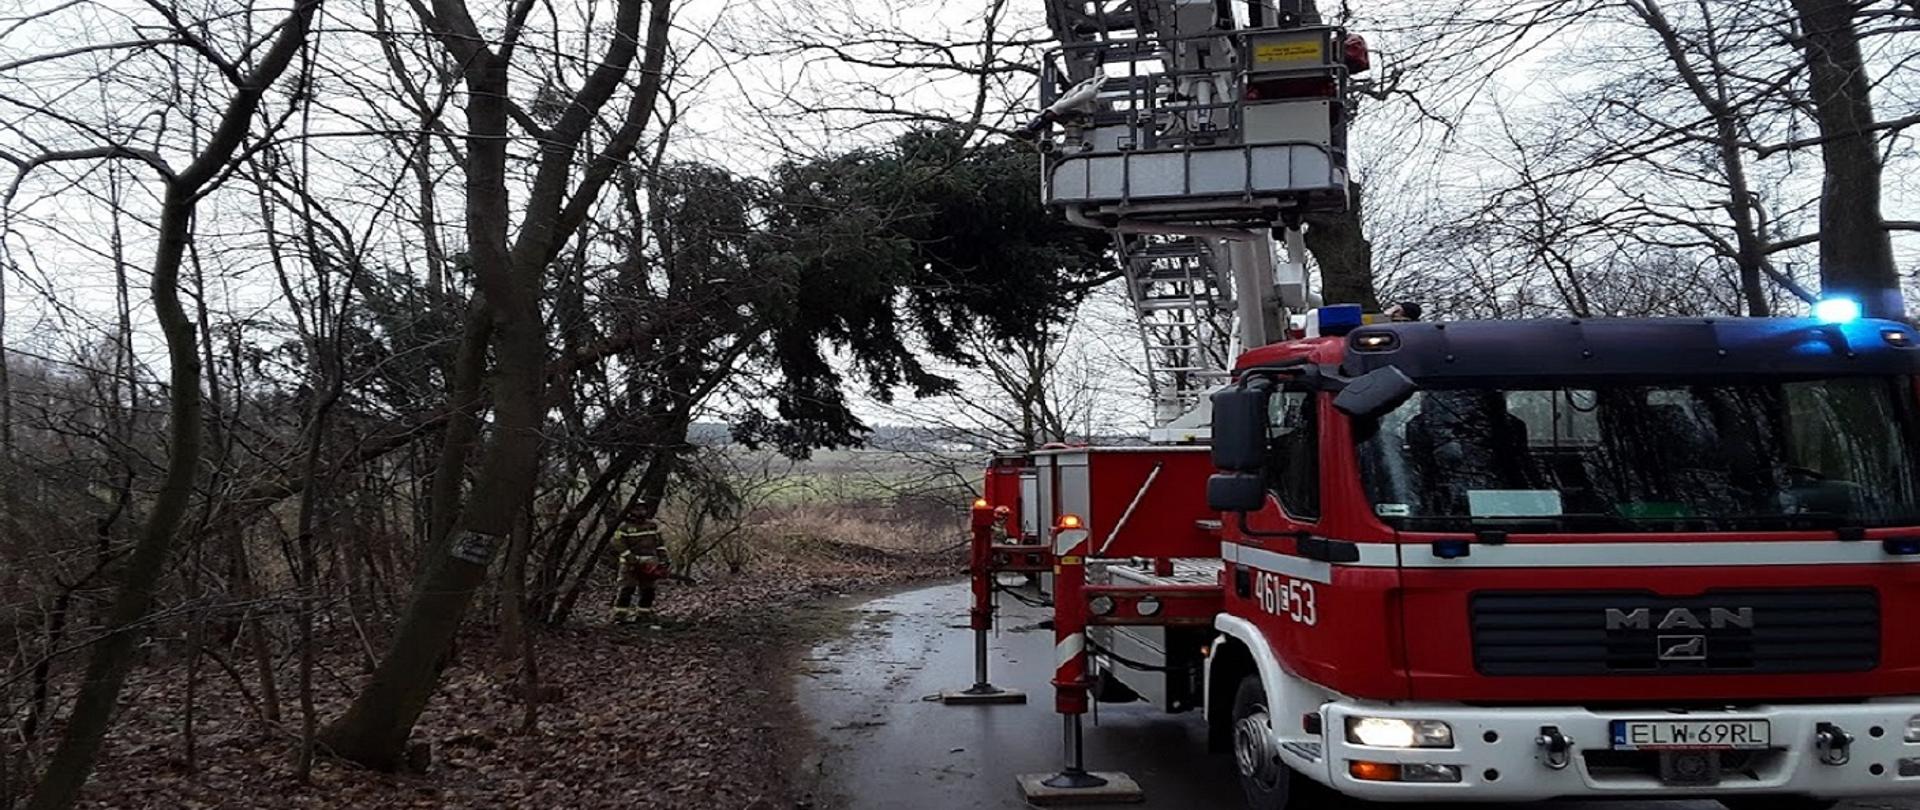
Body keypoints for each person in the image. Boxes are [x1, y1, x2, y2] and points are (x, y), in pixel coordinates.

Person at [611, 507, 670, 623]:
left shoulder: (652, 525)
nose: (640, 512)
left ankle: (643, 615)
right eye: (637, 509)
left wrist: (664, 559)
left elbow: (659, 544)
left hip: (650, 563)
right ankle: (619, 616)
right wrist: (631, 558)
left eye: (642, 509)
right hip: (629, 565)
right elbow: (618, 544)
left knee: (648, 590)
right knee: (627, 589)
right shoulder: (623, 528)